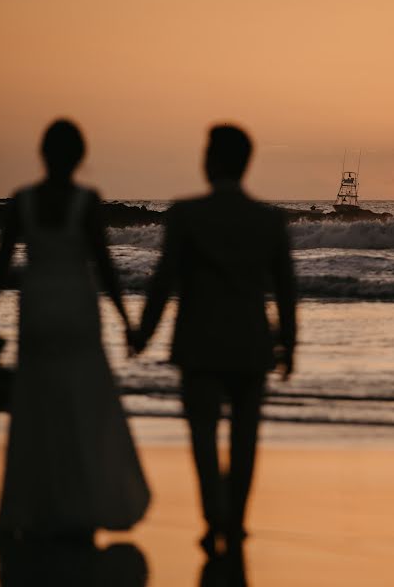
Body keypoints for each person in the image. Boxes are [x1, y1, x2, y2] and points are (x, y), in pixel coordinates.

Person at [131, 124, 297, 555]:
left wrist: (143, 333)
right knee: (245, 439)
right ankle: (237, 521)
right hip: (251, 343)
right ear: (246, 164)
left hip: (198, 342)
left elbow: (164, 280)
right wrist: (290, 345)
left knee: (203, 437)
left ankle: (213, 518)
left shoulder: (186, 214)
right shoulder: (269, 219)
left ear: (212, 161)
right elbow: (285, 290)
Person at [0, 119, 149, 539]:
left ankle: (37, 506)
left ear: (43, 154)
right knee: (81, 404)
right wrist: (126, 320)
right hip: (77, 306)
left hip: (37, 306)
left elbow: (0, 264)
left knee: (36, 405)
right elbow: (104, 264)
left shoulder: (23, 200)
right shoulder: (86, 200)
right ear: (80, 157)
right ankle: (80, 502)